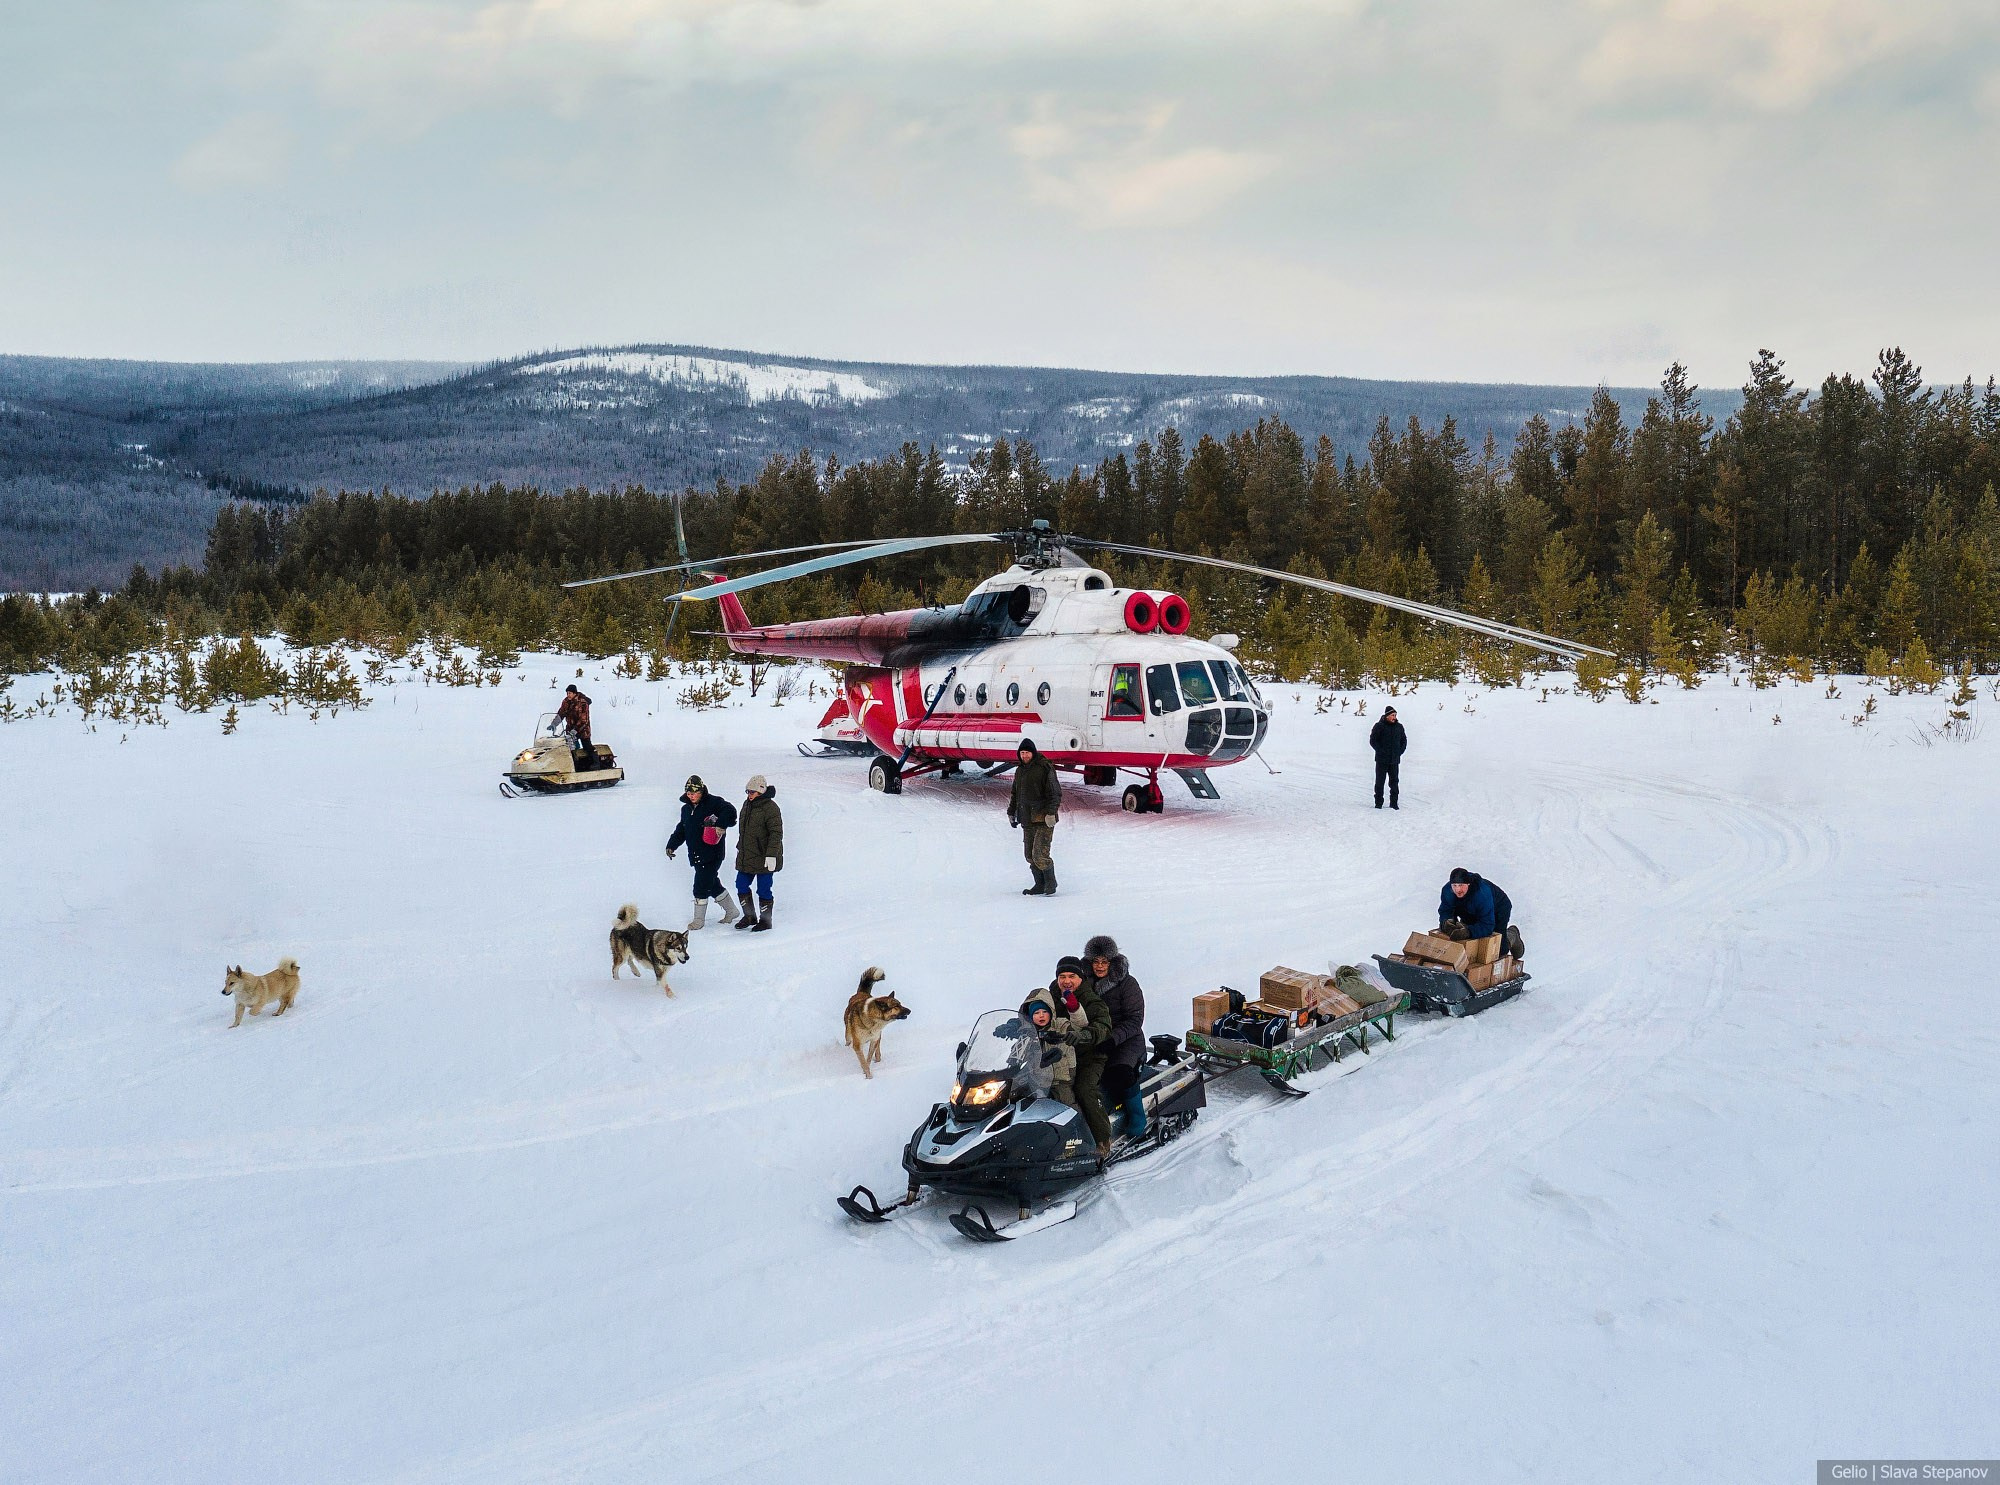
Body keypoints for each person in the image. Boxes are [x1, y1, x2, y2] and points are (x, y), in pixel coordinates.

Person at [1082, 933, 1146, 1155]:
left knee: (1120, 1073)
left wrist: (1113, 1039)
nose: (1100, 966)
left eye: (1104, 961)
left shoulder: (1127, 983)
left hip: (1127, 1039)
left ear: (1113, 961)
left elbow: (1135, 1019)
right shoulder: (1084, 982)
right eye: (1096, 961)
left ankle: (1138, 1117)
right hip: (1093, 1038)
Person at [1019, 956, 1107, 1110]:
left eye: (1072, 976)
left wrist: (1083, 1035)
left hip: (1089, 1055)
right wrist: (1015, 1024)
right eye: (1062, 977)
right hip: (1054, 1061)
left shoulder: (1092, 1000)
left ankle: (1098, 1133)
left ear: (1081, 978)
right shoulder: (1053, 996)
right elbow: (1035, 1010)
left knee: (1085, 1092)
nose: (1067, 981)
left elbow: (1101, 1026)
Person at [665, 775, 739, 930]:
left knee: (700, 885)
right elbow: (682, 829)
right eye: (689, 793)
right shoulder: (685, 809)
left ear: (702, 791)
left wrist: (721, 824)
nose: (692, 796)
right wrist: (672, 845)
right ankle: (732, 911)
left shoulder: (714, 802)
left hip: (713, 853)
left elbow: (731, 812)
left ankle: (698, 920)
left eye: (695, 793)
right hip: (696, 854)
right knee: (712, 885)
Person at [1008, 738, 1062, 896]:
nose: (1024, 756)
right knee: (1030, 856)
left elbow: (1055, 793)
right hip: (1027, 819)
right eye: (1022, 753)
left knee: (1040, 854)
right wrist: (1011, 812)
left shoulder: (1044, 767)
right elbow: (1015, 794)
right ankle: (1039, 884)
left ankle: (1051, 883)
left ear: (1033, 752)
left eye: (1027, 753)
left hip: (1043, 819)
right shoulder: (1020, 771)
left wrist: (1051, 813)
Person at [733, 775, 783, 933]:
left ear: (761, 792)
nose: (749, 795)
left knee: (763, 889)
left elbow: (776, 833)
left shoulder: (771, 808)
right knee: (741, 884)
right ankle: (749, 916)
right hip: (747, 855)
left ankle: (766, 921)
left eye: (752, 792)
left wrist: (771, 855)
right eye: (748, 791)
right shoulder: (747, 805)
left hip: (765, 857)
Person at [1439, 867, 1523, 959]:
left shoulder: (1482, 894)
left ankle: (1512, 935)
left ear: (1468, 884)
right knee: (1465, 942)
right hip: (1470, 908)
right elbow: (1445, 910)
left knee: (1497, 950)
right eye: (1454, 885)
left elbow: (1487, 925)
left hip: (1497, 908)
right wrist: (1446, 923)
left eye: (1461, 885)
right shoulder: (1447, 891)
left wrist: (1468, 932)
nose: (1458, 890)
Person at [1369, 704, 1407, 810]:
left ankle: (1394, 803)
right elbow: (1373, 740)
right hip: (1381, 760)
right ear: (1387, 716)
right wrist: (1380, 751)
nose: (1394, 717)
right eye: (1392, 715)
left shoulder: (1399, 727)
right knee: (1380, 782)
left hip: (1394, 760)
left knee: (1394, 782)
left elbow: (1404, 740)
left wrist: (1399, 752)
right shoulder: (1379, 726)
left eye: (1395, 715)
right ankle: (1378, 803)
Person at [554, 684, 593, 764]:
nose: (568, 695)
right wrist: (554, 724)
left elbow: (583, 719)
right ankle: (574, 763)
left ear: (574, 693)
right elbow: (561, 713)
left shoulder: (582, 702)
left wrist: (575, 730)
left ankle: (595, 763)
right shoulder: (566, 701)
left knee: (587, 746)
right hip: (570, 728)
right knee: (570, 747)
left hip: (583, 729)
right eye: (567, 693)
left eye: (570, 693)